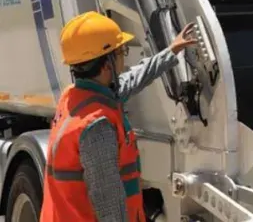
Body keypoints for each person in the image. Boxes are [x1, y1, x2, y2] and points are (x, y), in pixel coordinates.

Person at [41, 11, 202, 222]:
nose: (123, 58)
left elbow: (131, 80)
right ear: (107, 64)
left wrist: (172, 51)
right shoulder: (96, 126)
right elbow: (108, 202)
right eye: (121, 52)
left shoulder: (74, 96)